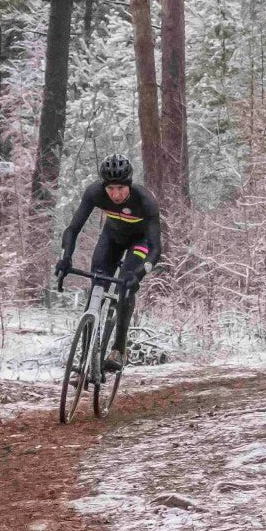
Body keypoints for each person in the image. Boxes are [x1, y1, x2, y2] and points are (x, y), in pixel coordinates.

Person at [55, 154, 162, 370]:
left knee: (125, 286)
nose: (115, 194)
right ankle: (86, 361)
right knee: (98, 285)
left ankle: (118, 350)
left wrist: (140, 273)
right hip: (112, 238)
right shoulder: (95, 193)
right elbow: (72, 229)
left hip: (140, 242)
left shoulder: (145, 200)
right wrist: (65, 257)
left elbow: (156, 249)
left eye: (121, 188)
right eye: (110, 188)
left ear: (129, 184)